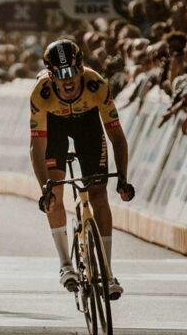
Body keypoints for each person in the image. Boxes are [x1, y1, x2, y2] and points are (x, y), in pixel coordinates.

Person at [29, 39, 137, 297]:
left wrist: (122, 177)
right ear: (50, 75)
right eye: (59, 74)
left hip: (88, 125)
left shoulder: (96, 84)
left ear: (81, 69)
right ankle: (66, 264)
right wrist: (44, 188)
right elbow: (37, 146)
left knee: (99, 194)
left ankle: (108, 272)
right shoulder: (40, 93)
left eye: (71, 72)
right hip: (55, 127)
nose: (67, 81)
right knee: (54, 194)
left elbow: (117, 137)